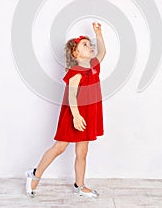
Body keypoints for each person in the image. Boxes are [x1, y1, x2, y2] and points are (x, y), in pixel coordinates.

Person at [25, 22, 106, 198]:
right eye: (85, 45)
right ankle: (35, 174)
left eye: (90, 44)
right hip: (74, 114)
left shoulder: (93, 66)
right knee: (60, 147)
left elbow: (102, 53)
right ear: (76, 53)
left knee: (82, 152)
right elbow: (71, 96)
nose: (90, 46)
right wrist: (76, 116)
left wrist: (98, 34)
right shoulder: (76, 72)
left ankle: (80, 185)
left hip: (88, 115)